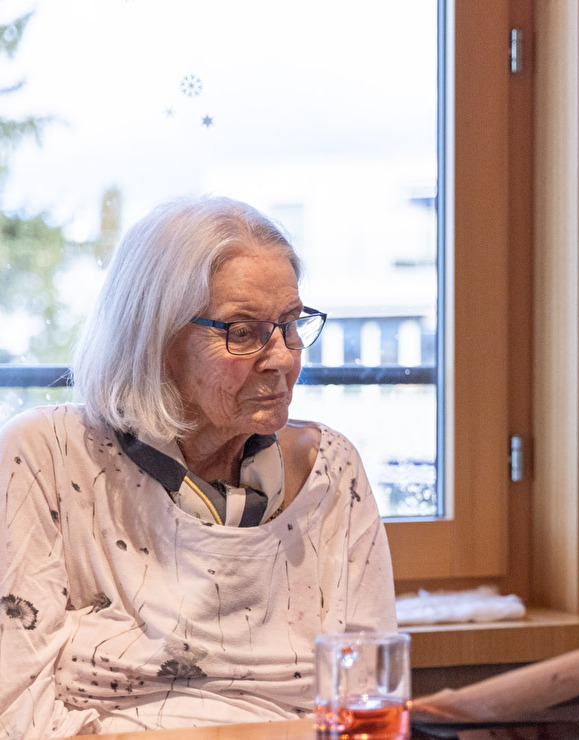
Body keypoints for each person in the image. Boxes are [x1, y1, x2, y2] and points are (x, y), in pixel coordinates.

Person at [0, 197, 396, 737]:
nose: (282, 356)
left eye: (290, 323)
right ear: (153, 338)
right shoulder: (47, 455)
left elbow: (365, 701)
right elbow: (17, 713)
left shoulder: (332, 470)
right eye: (242, 330)